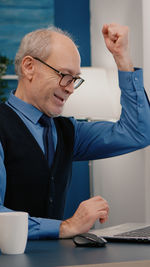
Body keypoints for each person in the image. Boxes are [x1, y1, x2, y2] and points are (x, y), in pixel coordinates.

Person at [0, 23, 150, 240]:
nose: (70, 88)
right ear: (29, 67)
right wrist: (65, 227)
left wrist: (122, 59)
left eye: (74, 79)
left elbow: (138, 133)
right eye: (64, 75)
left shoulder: (69, 132)